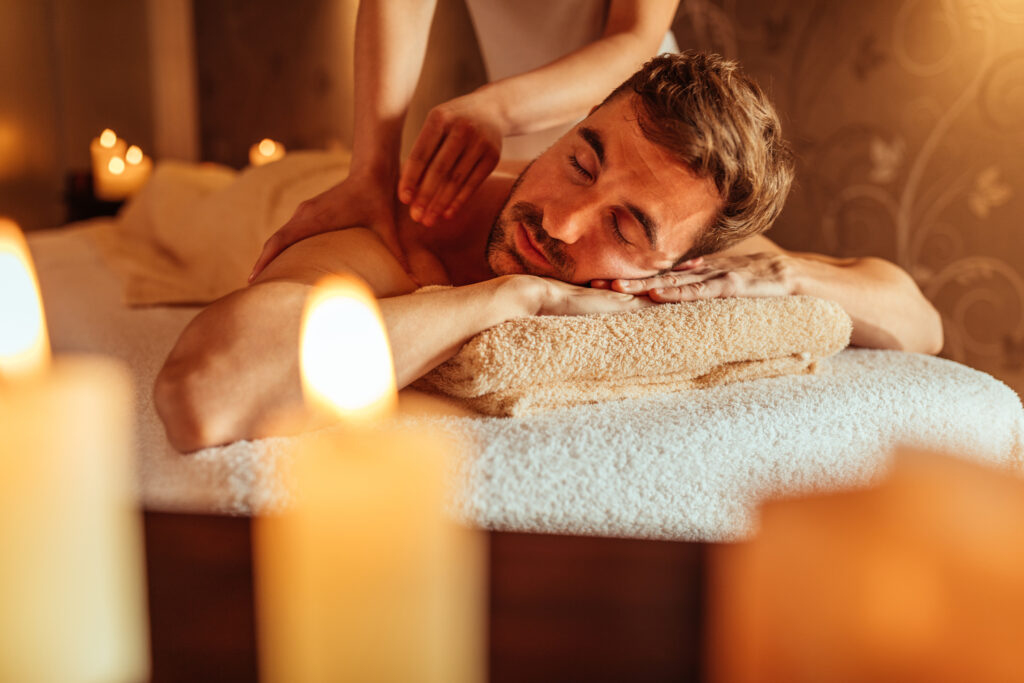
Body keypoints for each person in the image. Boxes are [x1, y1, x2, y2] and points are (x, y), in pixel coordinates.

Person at [155, 52, 943, 453]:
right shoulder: (406, 226)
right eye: (581, 160)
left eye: (627, 227)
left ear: (676, 261)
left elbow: (918, 322)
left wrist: (792, 272)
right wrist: (506, 298)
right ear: (568, 129)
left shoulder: (699, 255)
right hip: (281, 192)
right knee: (180, 200)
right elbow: (203, 396)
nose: (563, 224)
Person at [248, 0, 682, 284]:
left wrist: (498, 110)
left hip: (643, 132)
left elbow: (633, 40)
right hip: (526, 144)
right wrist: (369, 172)